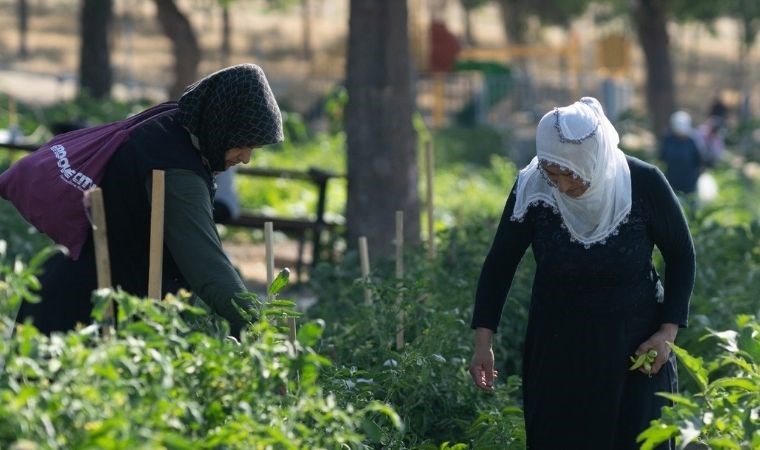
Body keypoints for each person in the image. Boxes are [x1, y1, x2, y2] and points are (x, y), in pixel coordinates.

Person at [469, 97, 695, 450]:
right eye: (551, 171)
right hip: (559, 351)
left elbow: (681, 255)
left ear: (594, 160)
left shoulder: (644, 184)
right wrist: (483, 341)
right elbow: (500, 263)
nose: (560, 185)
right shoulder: (533, 188)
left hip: (636, 352)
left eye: (571, 174)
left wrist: (667, 332)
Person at [17, 63, 284, 336]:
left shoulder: (170, 124)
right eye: (244, 143)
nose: (246, 157)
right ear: (224, 124)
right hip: (80, 316)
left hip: (66, 294)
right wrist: (260, 333)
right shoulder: (177, 170)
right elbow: (208, 270)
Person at [659, 110, 703, 195]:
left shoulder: (692, 141)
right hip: (672, 179)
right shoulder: (668, 139)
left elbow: (698, 160)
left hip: (689, 181)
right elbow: (662, 157)